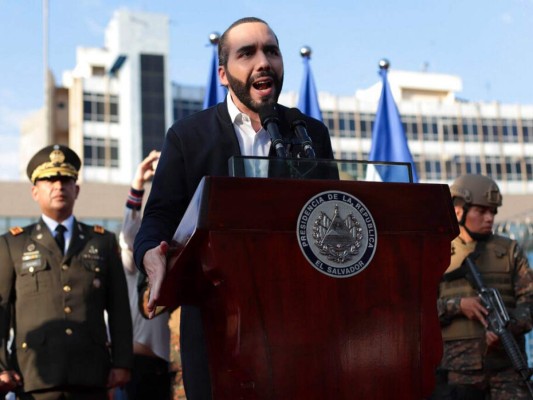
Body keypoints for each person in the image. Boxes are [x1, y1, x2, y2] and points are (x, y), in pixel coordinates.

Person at [133, 17, 334, 399]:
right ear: (223, 74)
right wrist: (150, 255)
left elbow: (333, 212)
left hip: (296, 325)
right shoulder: (188, 136)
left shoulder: (309, 134)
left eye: (271, 51)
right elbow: (158, 218)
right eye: (248, 53)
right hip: (214, 324)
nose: (263, 62)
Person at [0, 144, 133, 399]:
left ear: (77, 189)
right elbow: (1, 310)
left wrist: (122, 362)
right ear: (34, 191)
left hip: (92, 375)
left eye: (66, 179)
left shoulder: (103, 241)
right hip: (34, 377)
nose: (58, 186)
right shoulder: (12, 244)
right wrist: (1, 367)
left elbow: (118, 308)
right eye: (49, 180)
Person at [434, 174, 533, 399]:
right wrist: (458, 305)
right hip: (457, 371)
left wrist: (508, 325)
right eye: (482, 211)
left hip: (507, 368)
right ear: (458, 210)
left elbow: (530, 302)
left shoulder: (509, 250)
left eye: (493, 212)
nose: (489, 218)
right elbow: (418, 308)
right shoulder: (437, 253)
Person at [116, 150, 174, 400]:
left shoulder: (175, 249)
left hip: (172, 365)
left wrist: (172, 176)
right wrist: (138, 184)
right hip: (140, 364)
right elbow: (130, 231)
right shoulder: (132, 260)